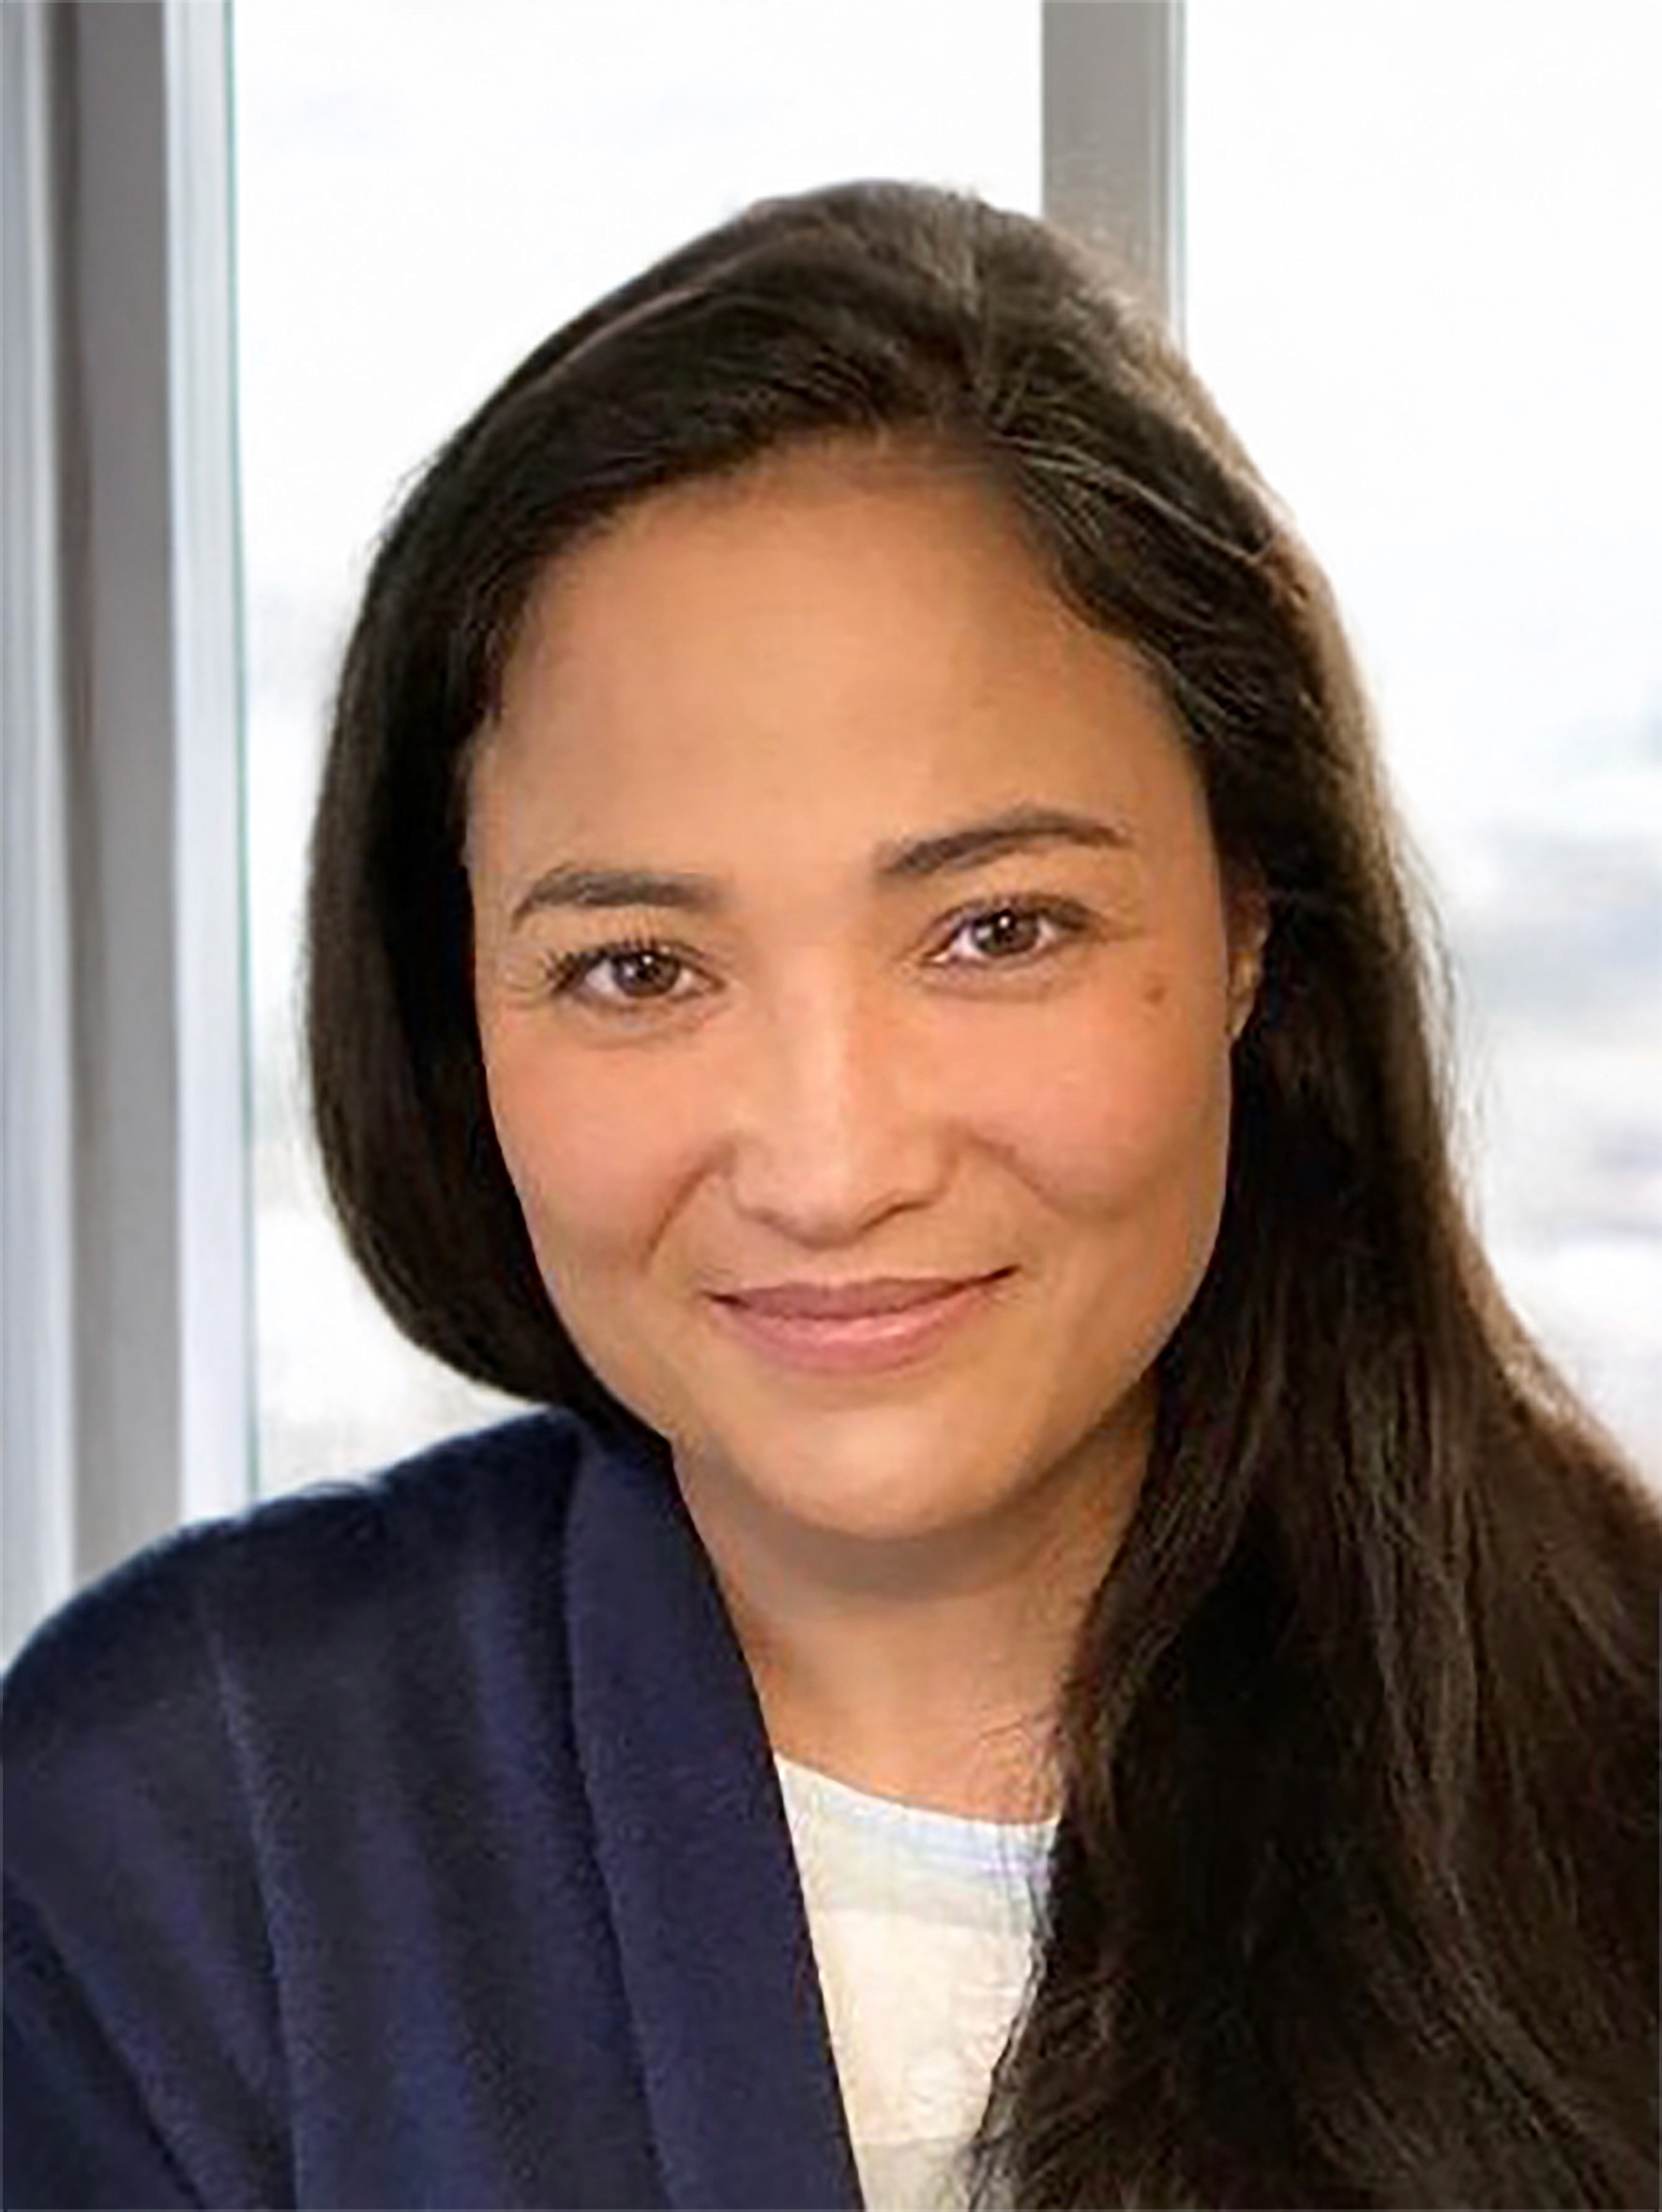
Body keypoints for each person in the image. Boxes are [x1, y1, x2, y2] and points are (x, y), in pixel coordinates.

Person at [4, 179, 1657, 2212]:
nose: (831, 1162)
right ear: (454, 1011)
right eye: (637, 969)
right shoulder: (182, 1847)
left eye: (995, 929)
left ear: (1250, 919)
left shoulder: (1622, 1764)